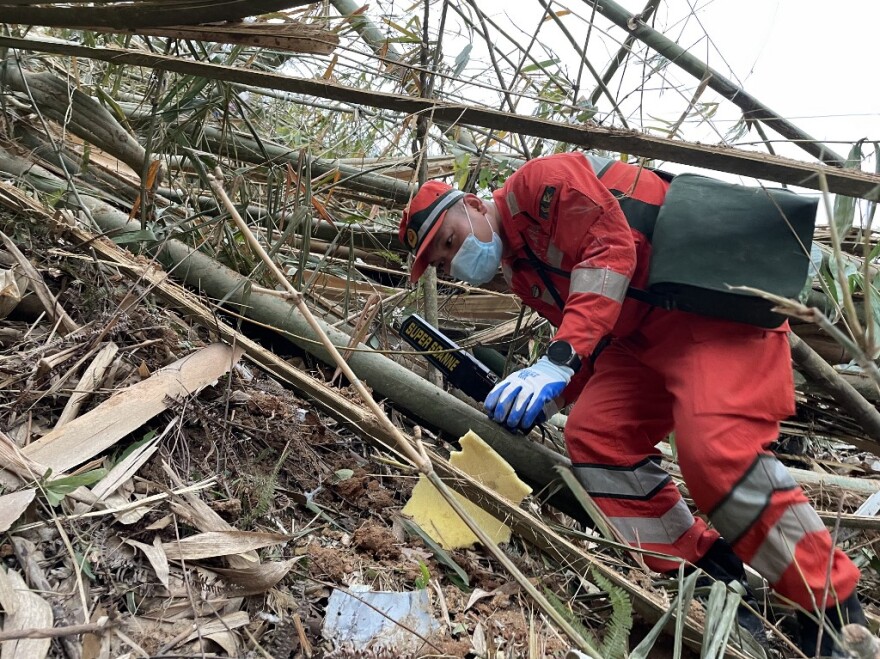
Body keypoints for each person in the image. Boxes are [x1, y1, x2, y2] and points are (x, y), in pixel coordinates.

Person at [398, 152, 867, 656]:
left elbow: (610, 250)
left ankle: (833, 611)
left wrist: (557, 361)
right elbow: (592, 330)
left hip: (708, 310)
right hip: (642, 341)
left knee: (715, 453)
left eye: (451, 239)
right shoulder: (520, 272)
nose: (456, 257)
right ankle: (705, 573)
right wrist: (552, 395)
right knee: (596, 436)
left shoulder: (538, 186)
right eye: (445, 262)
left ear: (471, 204)